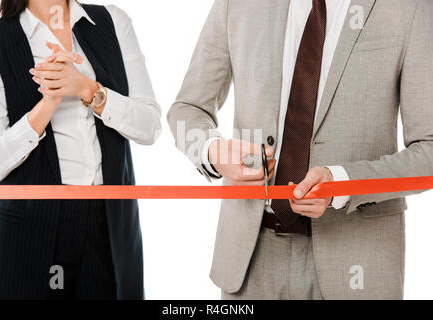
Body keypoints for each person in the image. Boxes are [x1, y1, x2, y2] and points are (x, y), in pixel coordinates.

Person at [168, 0, 433, 299]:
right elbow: (186, 109)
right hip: (249, 262)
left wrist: (344, 182)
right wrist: (212, 151)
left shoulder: (409, 7)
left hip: (358, 262)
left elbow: (429, 149)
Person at [0, 0, 161, 299]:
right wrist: (48, 103)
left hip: (108, 221)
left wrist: (88, 90)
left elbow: (149, 126)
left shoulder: (113, 21)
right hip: (28, 227)